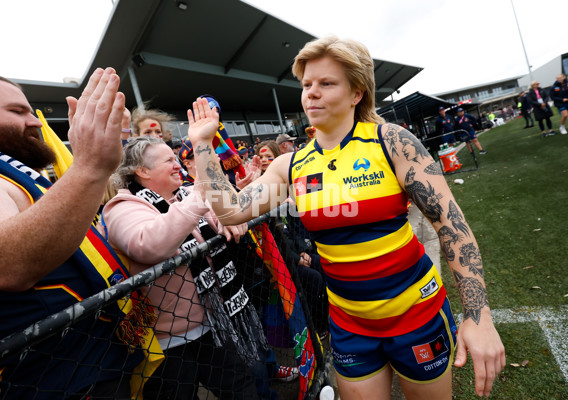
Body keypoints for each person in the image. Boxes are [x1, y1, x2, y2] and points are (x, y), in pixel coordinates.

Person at [187, 35, 505, 399]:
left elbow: (453, 226)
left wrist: (478, 317)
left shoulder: (391, 141)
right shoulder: (292, 165)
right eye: (307, 84)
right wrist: (201, 143)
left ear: (356, 93)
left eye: (326, 83)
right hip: (350, 324)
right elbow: (230, 210)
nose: (312, 93)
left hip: (415, 316)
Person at [0, 68, 142, 399]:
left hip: (86, 369)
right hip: (44, 384)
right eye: (17, 112)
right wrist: (89, 166)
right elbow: (3, 264)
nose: (36, 122)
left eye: (31, 111)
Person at [103, 137, 262, 399]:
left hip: (214, 325)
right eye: (169, 160)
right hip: (166, 344)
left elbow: (222, 216)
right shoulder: (123, 206)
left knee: (243, 390)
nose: (178, 165)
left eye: (176, 159)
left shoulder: (186, 195)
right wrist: (200, 196)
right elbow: (151, 245)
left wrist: (232, 218)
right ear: (142, 171)